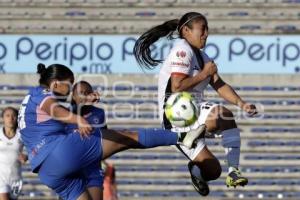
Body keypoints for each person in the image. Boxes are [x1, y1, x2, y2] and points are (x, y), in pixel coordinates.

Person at [18, 63, 206, 200]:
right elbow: (55, 110)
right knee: (127, 137)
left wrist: (82, 105)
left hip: (46, 171)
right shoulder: (42, 95)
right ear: (56, 83)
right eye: (69, 83)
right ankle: (182, 136)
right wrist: (79, 120)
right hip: (58, 152)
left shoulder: (28, 99)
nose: (69, 89)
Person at [134, 12, 258, 195]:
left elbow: (219, 84)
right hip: (176, 115)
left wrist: (242, 103)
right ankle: (196, 133)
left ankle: (225, 171)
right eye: (202, 29)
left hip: (193, 111)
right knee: (223, 114)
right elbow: (177, 87)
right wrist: (203, 74)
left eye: (207, 29)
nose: (206, 34)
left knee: (213, 171)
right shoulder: (182, 51)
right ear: (186, 31)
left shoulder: (202, 56)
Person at [0, 107, 27, 200]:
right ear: (3, 118)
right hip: (1, 179)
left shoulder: (22, 135)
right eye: (7, 116)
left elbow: (34, 149)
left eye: (13, 116)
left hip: (16, 180)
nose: (10, 118)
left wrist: (26, 156)